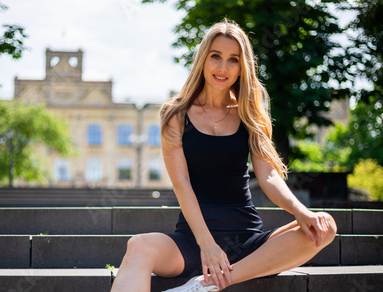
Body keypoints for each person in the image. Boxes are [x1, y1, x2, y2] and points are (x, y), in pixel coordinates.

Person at [110, 18, 337, 292]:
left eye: (233, 60)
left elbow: (268, 174)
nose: (222, 67)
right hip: (193, 240)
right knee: (138, 245)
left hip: (248, 241)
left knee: (326, 225)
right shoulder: (176, 114)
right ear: (203, 59)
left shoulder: (251, 115)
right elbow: (181, 182)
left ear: (243, 67)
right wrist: (206, 244)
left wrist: (300, 211)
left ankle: (207, 285)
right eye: (216, 56)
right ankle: (214, 274)